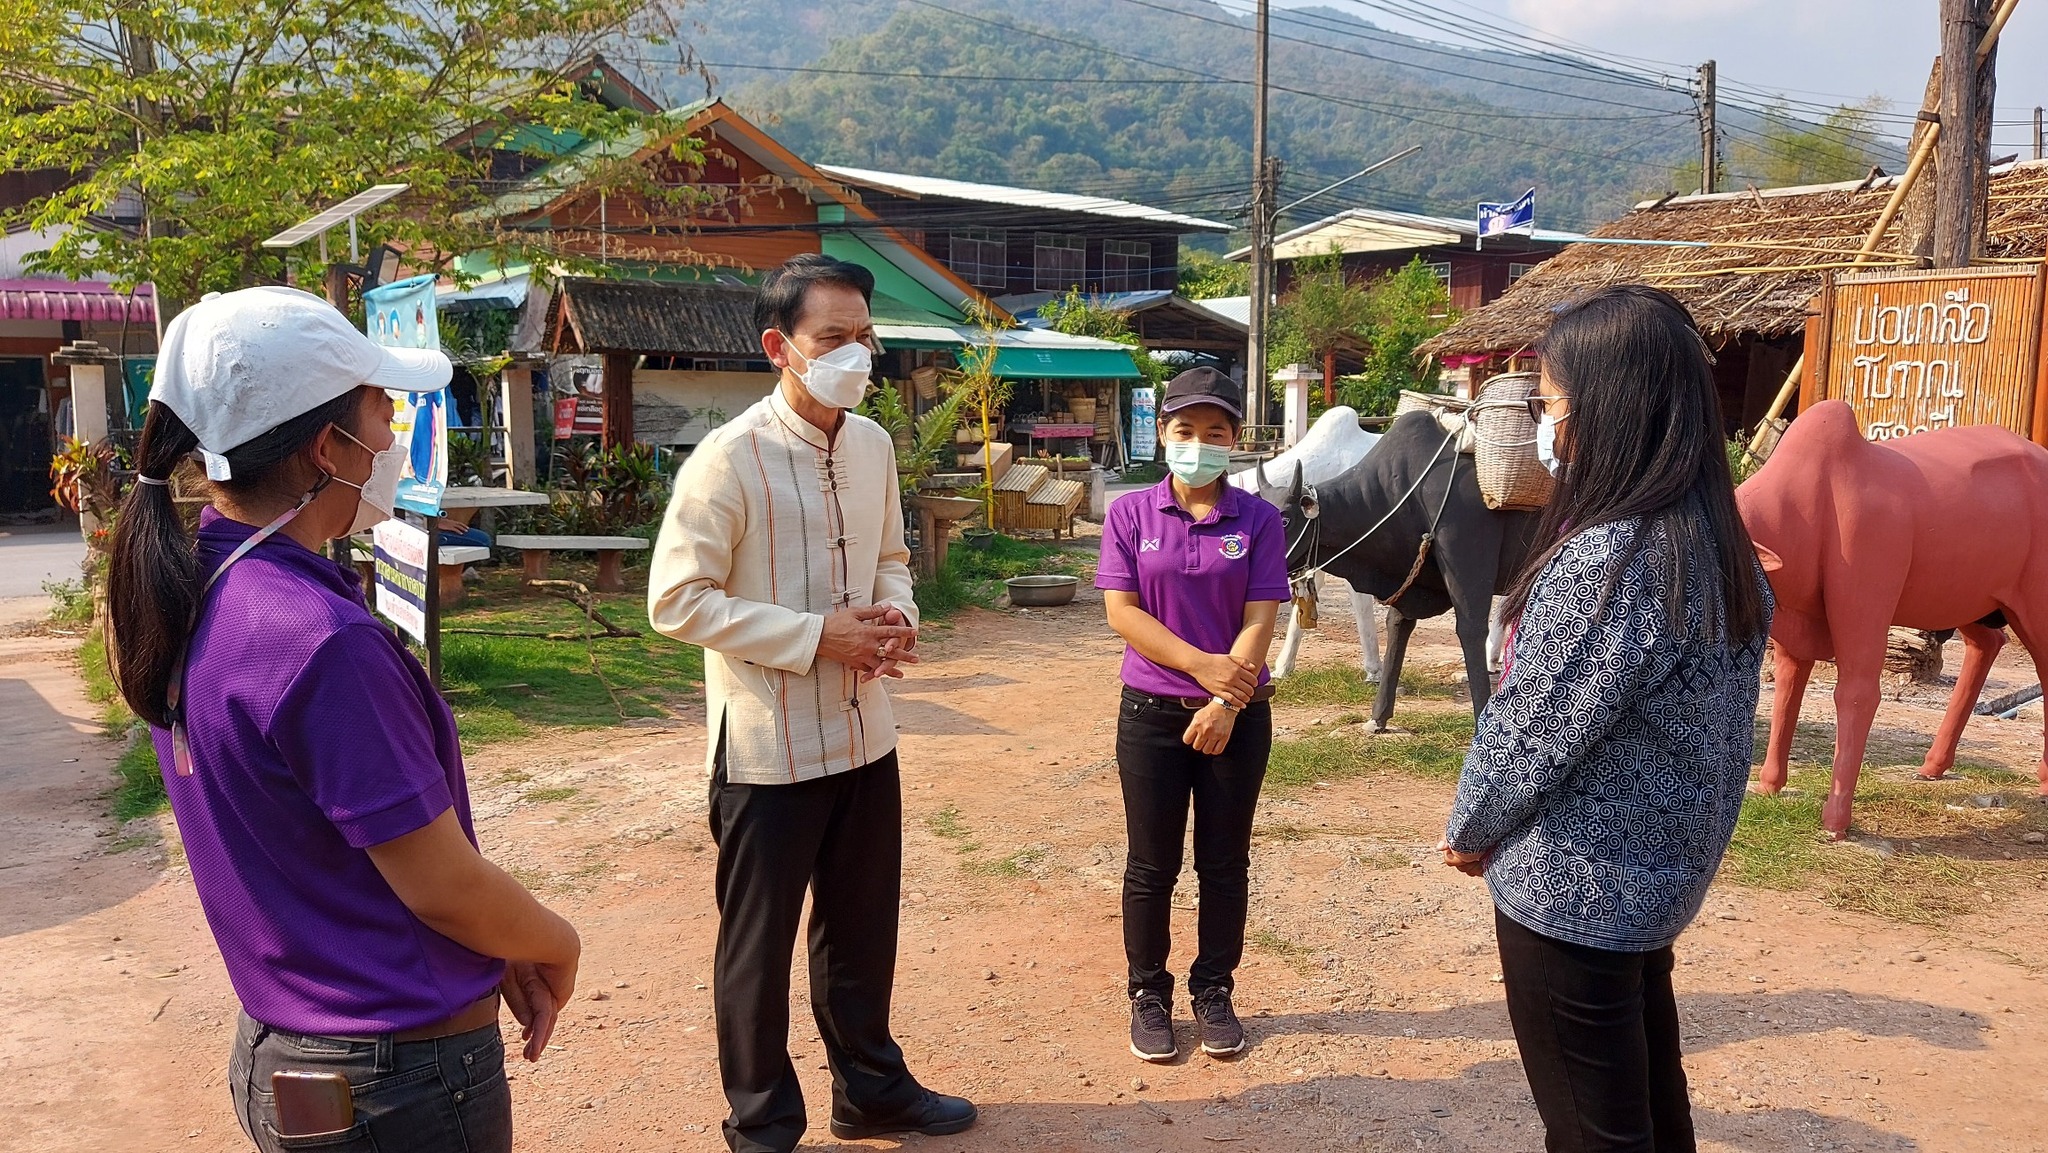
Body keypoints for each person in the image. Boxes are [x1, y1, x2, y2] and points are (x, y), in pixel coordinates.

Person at [104, 287, 581, 1153]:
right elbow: (439, 884)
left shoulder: (204, 588)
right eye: (381, 409)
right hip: (396, 1086)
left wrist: (484, 942)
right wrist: (553, 936)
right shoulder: (319, 642)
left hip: (286, 1051)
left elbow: (348, 851)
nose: (393, 436)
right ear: (329, 448)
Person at [647, 253, 976, 1153]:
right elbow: (675, 599)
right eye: (833, 338)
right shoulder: (729, 458)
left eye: (864, 336)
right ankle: (761, 1122)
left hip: (865, 735)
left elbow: (891, 560)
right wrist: (814, 635)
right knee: (758, 948)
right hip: (766, 745)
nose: (856, 354)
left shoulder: (871, 447)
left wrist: (897, 619)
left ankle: (869, 1089)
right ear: (779, 347)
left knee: (862, 929)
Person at [1437, 285, 1772, 1153]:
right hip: (1656, 884)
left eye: (1552, 405)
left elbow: (1533, 728)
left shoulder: (1612, 558)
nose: (1548, 429)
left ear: (1609, 411)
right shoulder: (1712, 543)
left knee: (1595, 1133)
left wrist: (1471, 827)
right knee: (1652, 1116)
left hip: (1574, 895)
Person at [1095, 367, 1288, 1064]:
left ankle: (1214, 990)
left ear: (1235, 440)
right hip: (1149, 713)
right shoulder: (1129, 515)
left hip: (1236, 718)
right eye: (1185, 430)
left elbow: (1260, 616)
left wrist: (1225, 700)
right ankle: (1148, 993)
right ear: (1163, 435)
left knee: (1224, 862)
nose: (1199, 443)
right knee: (1151, 864)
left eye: (1215, 432)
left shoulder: (1260, 519)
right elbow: (1123, 611)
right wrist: (1202, 667)